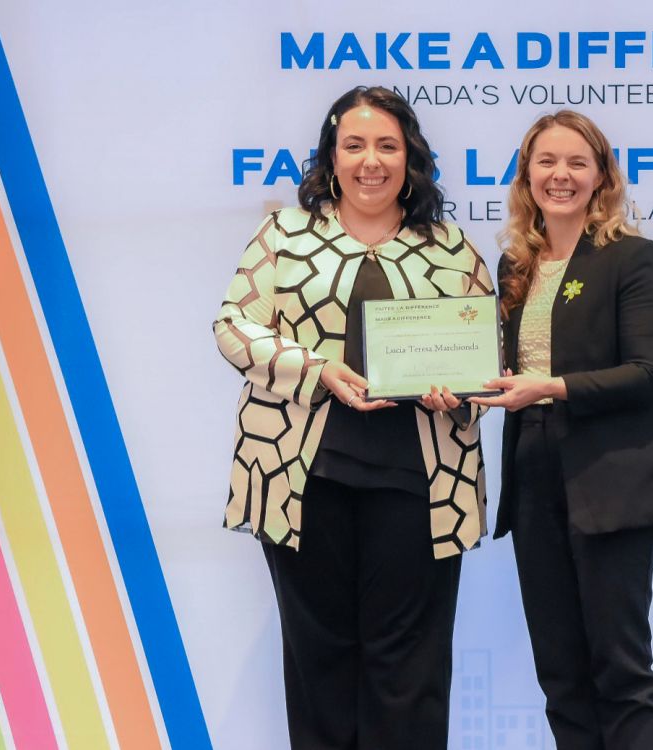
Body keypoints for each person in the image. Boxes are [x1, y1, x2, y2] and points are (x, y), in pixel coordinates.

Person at [212, 86, 491, 750]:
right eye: (356, 145)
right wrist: (316, 371)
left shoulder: (450, 248)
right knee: (320, 661)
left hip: (420, 484)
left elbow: (489, 355)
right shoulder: (284, 234)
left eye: (388, 146)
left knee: (412, 670)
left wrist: (461, 388)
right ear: (331, 158)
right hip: (305, 478)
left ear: (412, 158)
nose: (372, 161)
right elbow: (233, 327)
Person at [471, 110, 653, 749]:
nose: (559, 175)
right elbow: (504, 373)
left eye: (576, 163)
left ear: (601, 177)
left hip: (612, 486)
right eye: (545, 162)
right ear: (526, 174)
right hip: (535, 480)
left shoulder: (631, 257)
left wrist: (552, 387)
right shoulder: (516, 266)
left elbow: (649, 374)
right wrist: (460, 391)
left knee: (621, 673)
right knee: (560, 676)